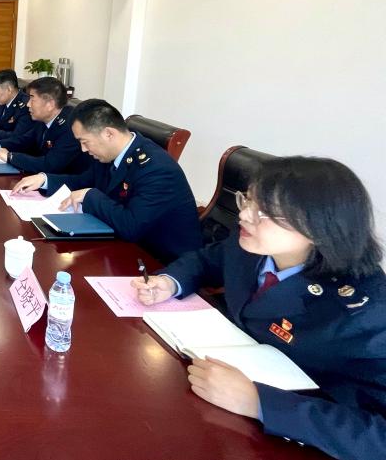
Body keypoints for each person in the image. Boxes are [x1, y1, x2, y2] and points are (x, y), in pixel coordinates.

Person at [132, 157, 386, 460]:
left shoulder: (366, 313)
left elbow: (378, 436)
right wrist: (170, 282)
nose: (243, 215)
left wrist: (259, 403)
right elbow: (208, 260)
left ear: (319, 227)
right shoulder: (252, 246)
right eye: (248, 200)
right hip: (217, 394)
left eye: (264, 212)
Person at [13, 98, 200, 262]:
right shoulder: (109, 153)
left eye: (85, 142)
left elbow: (131, 226)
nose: (83, 149)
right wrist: (44, 179)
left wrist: (90, 195)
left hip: (159, 261)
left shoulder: (156, 168)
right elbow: (83, 181)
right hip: (120, 244)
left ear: (109, 134)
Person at [0, 76, 89, 174]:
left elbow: (50, 165)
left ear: (50, 104)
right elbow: (25, 139)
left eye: (32, 99)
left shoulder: (70, 126)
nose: (28, 104)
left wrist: (11, 157)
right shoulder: (44, 119)